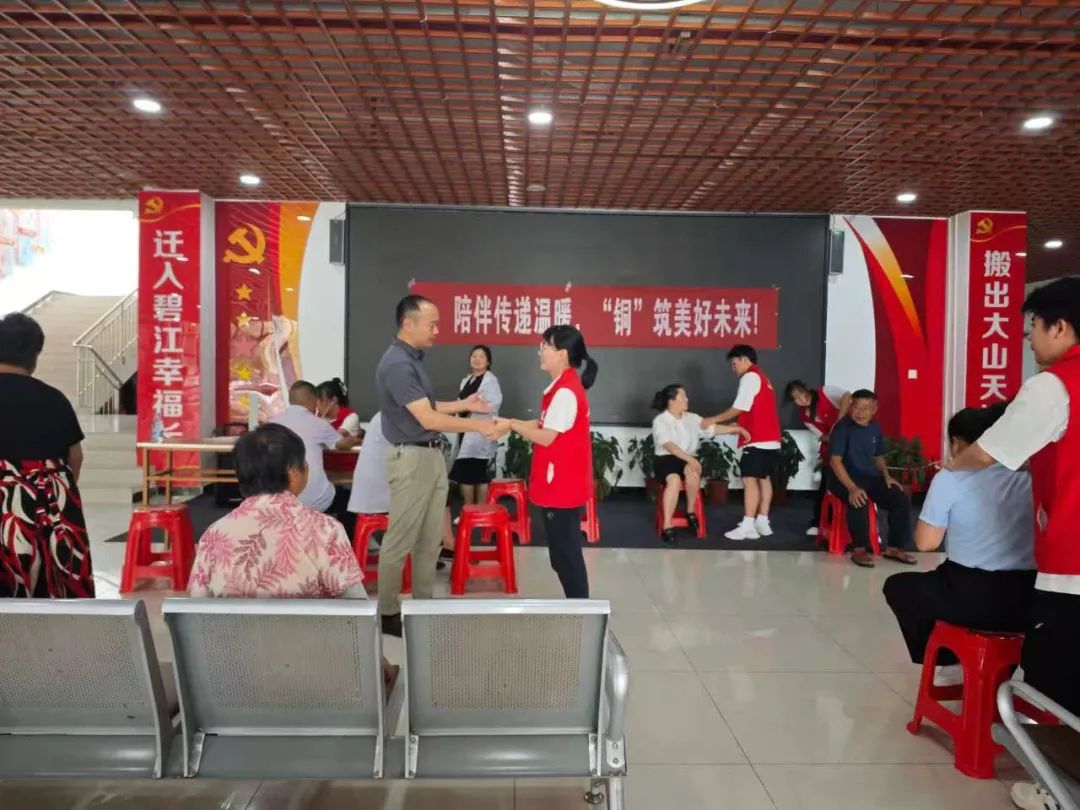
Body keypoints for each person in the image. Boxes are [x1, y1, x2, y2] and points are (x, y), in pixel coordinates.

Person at [941, 278, 1080, 810]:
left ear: (1059, 327)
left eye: (1032, 330)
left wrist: (953, 465)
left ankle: (1057, 790)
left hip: (1071, 564)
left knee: (1056, 681)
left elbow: (989, 451)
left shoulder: (1055, 386)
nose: (1030, 341)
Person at [189, 424, 398, 688]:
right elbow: (358, 613)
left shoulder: (214, 535)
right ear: (292, 472)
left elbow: (196, 614)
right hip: (317, 682)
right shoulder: (325, 529)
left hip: (240, 684)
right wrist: (378, 660)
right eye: (304, 463)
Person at [374, 295, 500, 636]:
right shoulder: (397, 364)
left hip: (428, 456)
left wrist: (465, 404)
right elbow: (427, 417)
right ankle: (388, 612)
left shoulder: (412, 360)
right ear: (408, 323)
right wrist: (477, 425)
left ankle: (422, 607)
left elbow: (429, 406)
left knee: (430, 539)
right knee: (400, 539)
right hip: (412, 458)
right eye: (432, 324)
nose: (436, 331)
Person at [882, 404, 1035, 668]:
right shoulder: (1030, 477)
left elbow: (926, 543)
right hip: (1028, 601)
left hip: (968, 598)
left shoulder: (951, 478)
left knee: (898, 586)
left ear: (956, 443)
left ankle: (945, 658)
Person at [496, 325, 596, 598]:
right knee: (562, 554)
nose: (539, 351)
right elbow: (544, 424)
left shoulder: (565, 392)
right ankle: (578, 606)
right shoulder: (562, 387)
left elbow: (546, 437)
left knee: (566, 556)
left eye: (544, 346)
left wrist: (512, 425)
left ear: (562, 354)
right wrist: (510, 423)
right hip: (563, 483)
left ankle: (580, 609)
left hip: (562, 486)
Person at [0, 312, 94, 598]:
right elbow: (75, 457)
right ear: (34, 355)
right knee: (50, 598)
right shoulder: (54, 399)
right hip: (49, 512)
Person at [348, 412, 456, 563]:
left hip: (373, 489)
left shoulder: (384, 415)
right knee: (437, 489)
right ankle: (443, 544)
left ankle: (433, 548)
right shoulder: (397, 417)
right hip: (382, 491)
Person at [651, 384, 749, 546]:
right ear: (671, 401)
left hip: (688, 458)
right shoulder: (660, 421)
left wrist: (735, 429)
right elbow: (670, 447)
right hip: (665, 459)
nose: (687, 399)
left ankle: (690, 511)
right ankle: (667, 524)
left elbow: (711, 428)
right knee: (674, 480)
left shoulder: (692, 418)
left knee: (693, 473)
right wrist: (691, 460)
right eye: (683, 397)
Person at [828, 389, 916, 567]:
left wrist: (887, 476)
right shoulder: (842, 428)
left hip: (869, 476)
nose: (860, 413)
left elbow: (878, 457)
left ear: (874, 410)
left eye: (865, 408)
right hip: (843, 478)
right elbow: (835, 461)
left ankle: (894, 548)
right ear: (851, 407)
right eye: (856, 407)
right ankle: (859, 549)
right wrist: (852, 488)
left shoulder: (875, 428)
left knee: (899, 498)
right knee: (859, 499)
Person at [703, 345, 782, 540]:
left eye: (734, 363)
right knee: (764, 478)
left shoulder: (750, 377)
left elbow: (738, 407)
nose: (733, 368)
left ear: (745, 359)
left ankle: (748, 525)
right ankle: (762, 520)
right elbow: (756, 409)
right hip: (771, 439)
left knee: (749, 479)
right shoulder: (763, 377)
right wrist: (739, 424)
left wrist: (713, 419)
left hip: (757, 439)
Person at [271, 380, 359, 518]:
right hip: (315, 499)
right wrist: (356, 439)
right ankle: (343, 533)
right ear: (313, 400)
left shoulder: (271, 424)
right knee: (350, 501)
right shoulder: (318, 424)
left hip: (278, 500)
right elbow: (342, 444)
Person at [785, 380, 852, 536]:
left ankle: (859, 526)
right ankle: (819, 523)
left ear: (806, 389)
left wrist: (840, 419)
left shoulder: (825, 392)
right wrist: (833, 438)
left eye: (801, 394)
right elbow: (821, 436)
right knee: (827, 486)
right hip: (832, 449)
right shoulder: (804, 416)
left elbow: (847, 396)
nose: (801, 400)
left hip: (851, 443)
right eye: (796, 399)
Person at [449, 345, 502, 507]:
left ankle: (477, 509)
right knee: (467, 473)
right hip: (465, 430)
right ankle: (470, 510)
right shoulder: (467, 380)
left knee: (476, 474)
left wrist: (467, 406)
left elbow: (492, 404)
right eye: (474, 356)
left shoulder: (490, 380)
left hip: (479, 433)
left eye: (481, 356)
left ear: (488, 362)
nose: (477, 359)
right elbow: (461, 402)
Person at [316, 378, 362, 474]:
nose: (317, 404)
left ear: (333, 400)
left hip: (346, 471)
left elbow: (336, 438)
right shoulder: (318, 418)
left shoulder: (351, 416)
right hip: (324, 470)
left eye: (321, 400)